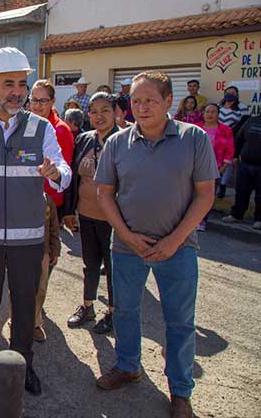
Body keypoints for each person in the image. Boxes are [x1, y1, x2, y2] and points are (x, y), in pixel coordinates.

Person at [94, 71, 218, 418]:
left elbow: (205, 194)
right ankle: (128, 365)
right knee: (126, 311)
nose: (142, 107)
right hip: (127, 248)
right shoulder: (118, 143)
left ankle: (180, 391)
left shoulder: (193, 139)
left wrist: (174, 240)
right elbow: (104, 194)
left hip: (178, 249)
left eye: (150, 100)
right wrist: (128, 236)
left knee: (179, 321)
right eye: (136, 101)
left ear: (168, 102)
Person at [0, 47, 71, 395]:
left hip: (27, 239)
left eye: (22, 82)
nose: (17, 91)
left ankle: (23, 366)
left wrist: (54, 173)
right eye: (8, 84)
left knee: (23, 305)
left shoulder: (41, 128)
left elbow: (62, 174)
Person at [63, 92, 120, 335]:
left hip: (115, 220)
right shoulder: (85, 140)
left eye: (105, 110)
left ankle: (114, 312)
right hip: (86, 214)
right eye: (94, 111)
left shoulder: (124, 140)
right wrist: (70, 210)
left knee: (114, 267)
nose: (99, 116)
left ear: (115, 112)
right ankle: (88, 307)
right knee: (90, 263)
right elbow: (74, 178)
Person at [28, 79, 75, 221]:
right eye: (34, 100)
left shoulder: (60, 129)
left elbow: (63, 168)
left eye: (43, 101)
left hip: (49, 200)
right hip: (28, 196)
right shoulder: (27, 124)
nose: (37, 105)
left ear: (53, 101)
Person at [195, 103, 234, 230]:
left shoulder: (226, 130)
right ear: (203, 113)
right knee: (192, 195)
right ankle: (191, 220)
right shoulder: (195, 129)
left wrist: (223, 167)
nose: (210, 114)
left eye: (213, 112)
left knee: (207, 196)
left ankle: (202, 221)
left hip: (214, 168)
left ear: (218, 114)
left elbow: (229, 149)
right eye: (207, 111)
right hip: (195, 167)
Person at [223, 112, 261, 229]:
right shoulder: (251, 121)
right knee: (241, 191)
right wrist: (235, 156)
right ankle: (237, 215)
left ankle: (259, 219)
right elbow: (239, 139)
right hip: (245, 163)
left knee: (260, 195)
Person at [33, 194, 60, 342]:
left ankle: (35, 323)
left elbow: (54, 227)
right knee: (19, 288)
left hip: (43, 251)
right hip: (22, 250)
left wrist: (54, 250)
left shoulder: (47, 200)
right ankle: (16, 320)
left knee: (41, 288)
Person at [217, 92, 247, 198]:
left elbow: (245, 122)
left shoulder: (241, 107)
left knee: (227, 163)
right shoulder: (219, 106)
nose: (230, 95)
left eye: (233, 93)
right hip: (217, 137)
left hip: (232, 137)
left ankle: (223, 187)